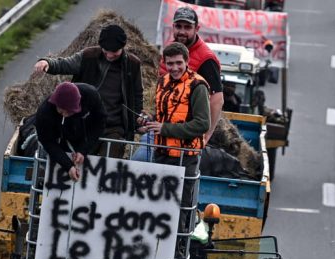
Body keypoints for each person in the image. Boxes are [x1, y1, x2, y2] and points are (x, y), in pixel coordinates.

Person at [34, 25, 143, 158]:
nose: (109, 55)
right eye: (106, 50)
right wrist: (48, 63)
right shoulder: (88, 56)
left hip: (114, 126)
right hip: (83, 122)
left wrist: (136, 120)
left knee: (108, 163)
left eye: (114, 52)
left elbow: (137, 95)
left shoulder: (133, 64)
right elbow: (66, 64)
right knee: (75, 159)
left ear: (122, 47)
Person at [140, 42, 210, 220]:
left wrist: (164, 128)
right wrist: (149, 120)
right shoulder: (162, 81)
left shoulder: (198, 86)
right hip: (161, 153)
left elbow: (202, 124)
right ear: (165, 63)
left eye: (179, 63)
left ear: (187, 61)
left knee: (180, 208)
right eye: (170, 64)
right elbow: (164, 114)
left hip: (185, 157)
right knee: (156, 205)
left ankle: (178, 247)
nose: (175, 68)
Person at [162, 6, 224, 143]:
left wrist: (207, 135)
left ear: (197, 29)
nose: (182, 32)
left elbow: (217, 99)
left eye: (187, 27)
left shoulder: (206, 59)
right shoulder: (170, 50)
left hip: (188, 134)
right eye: (178, 26)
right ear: (173, 26)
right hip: (165, 128)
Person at [35, 82, 106, 181]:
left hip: (81, 131)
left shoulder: (91, 95)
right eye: (61, 111)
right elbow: (48, 142)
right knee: (49, 157)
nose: (64, 114)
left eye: (69, 111)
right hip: (55, 136)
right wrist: (68, 166)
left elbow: (99, 123)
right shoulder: (44, 113)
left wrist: (83, 150)